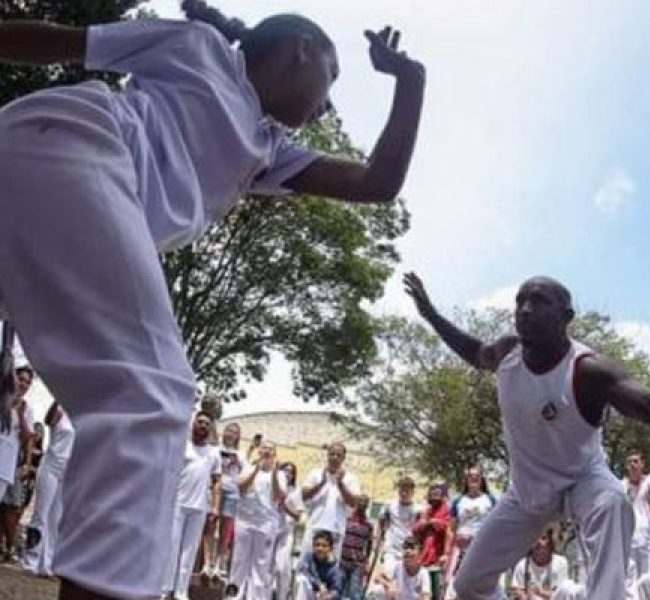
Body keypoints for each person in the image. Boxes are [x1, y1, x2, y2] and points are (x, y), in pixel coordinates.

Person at [0, 0, 424, 595]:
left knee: (144, 390)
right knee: (152, 392)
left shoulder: (267, 152)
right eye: (331, 78)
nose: (328, 102)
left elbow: (378, 182)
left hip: (44, 182)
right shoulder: (195, 46)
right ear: (301, 49)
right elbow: (61, 41)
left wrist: (411, 83)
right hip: (74, 143)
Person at [403, 272, 650, 600]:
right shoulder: (507, 354)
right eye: (520, 300)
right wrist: (431, 314)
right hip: (527, 492)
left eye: (538, 301)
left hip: (582, 481)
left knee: (613, 502)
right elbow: (473, 351)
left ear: (566, 317)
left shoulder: (588, 371)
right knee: (468, 585)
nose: (525, 308)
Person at [163, 411, 223, 600]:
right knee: (172, 547)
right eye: (200, 422)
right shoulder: (183, 446)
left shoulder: (214, 454)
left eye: (207, 424)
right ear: (194, 424)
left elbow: (217, 482)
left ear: (210, 429)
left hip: (199, 507)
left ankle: (181, 591)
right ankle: (166, 589)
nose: (203, 426)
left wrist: (215, 507)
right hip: (178, 503)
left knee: (189, 551)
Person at [228, 439, 288, 600]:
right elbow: (241, 486)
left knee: (261, 564)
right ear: (259, 451)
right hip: (245, 521)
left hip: (266, 523)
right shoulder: (249, 468)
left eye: (270, 449)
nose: (267, 451)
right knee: (239, 561)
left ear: (274, 454)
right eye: (264, 448)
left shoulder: (281, 475)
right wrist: (255, 470)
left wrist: (274, 473)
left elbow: (279, 496)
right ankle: (233, 596)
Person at [22, 402, 74, 577]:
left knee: (55, 520)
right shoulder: (60, 410)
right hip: (50, 466)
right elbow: (47, 419)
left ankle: (47, 564)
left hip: (67, 471)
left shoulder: (83, 415)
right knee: (40, 516)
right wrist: (59, 399)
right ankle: (31, 560)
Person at [443, 466, 497, 599]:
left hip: (483, 550)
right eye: (470, 476)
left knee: (484, 585)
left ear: (482, 479)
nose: (473, 478)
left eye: (477, 476)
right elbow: (451, 529)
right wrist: (446, 553)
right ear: (466, 480)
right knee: (453, 584)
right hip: (461, 550)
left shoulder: (490, 500)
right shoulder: (458, 502)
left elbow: (497, 527)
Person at [301, 442, 360, 560]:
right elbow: (304, 495)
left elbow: (354, 502)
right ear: (327, 455)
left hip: (335, 530)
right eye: (332, 454)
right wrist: (321, 483)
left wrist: (341, 484)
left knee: (330, 569)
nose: (335, 458)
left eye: (338, 455)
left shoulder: (350, 478)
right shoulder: (315, 474)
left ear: (343, 458)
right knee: (307, 565)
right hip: (315, 526)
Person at [203, 421, 245, 582]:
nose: (231, 434)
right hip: (215, 489)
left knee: (225, 530)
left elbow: (244, 475)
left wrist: (236, 462)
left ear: (238, 436)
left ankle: (220, 563)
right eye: (228, 430)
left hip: (232, 492)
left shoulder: (241, 455)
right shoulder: (215, 450)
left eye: (234, 432)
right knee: (210, 526)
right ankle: (207, 563)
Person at [0, 365, 34, 563]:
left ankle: (8, 547)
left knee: (8, 507)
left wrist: (20, 413)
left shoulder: (27, 409)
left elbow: (27, 437)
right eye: (21, 379)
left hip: (7, 463)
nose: (24, 384)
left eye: (28, 382)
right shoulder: (2, 398)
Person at [623, 449, 650, 580]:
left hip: (648, 540)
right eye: (629, 462)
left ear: (642, 464)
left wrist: (649, 498)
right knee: (630, 580)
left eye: (635, 461)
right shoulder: (621, 485)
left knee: (648, 579)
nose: (632, 465)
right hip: (628, 541)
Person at [509, 530, 585, 600]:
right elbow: (517, 591)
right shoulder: (522, 565)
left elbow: (559, 592)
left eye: (543, 538)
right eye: (537, 547)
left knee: (567, 586)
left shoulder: (561, 562)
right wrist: (526, 596)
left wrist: (539, 591)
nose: (539, 542)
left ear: (550, 544)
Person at [377, 475, 423, 578]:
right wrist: (378, 542)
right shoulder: (389, 505)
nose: (404, 493)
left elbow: (420, 531)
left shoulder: (418, 509)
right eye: (402, 490)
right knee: (388, 574)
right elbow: (381, 523)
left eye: (407, 491)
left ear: (412, 492)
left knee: (404, 579)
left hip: (408, 549)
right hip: (391, 547)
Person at [413, 484, 451, 599]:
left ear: (443, 496)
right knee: (424, 593)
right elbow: (416, 529)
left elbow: (448, 530)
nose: (434, 498)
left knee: (437, 593)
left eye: (437, 495)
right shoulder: (426, 512)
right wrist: (426, 524)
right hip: (424, 559)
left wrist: (446, 554)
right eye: (432, 495)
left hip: (439, 561)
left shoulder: (447, 511)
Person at [275, 462, 306, 600]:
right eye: (285, 470)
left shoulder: (295, 492)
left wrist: (286, 507)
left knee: (282, 568)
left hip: (286, 532)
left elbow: (299, 516)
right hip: (270, 530)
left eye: (291, 472)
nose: (288, 474)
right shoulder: (274, 486)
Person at [340, 494, 374, 600]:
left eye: (364, 503)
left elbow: (369, 544)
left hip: (357, 563)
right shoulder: (346, 520)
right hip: (342, 560)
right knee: (338, 590)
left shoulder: (368, 525)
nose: (362, 504)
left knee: (355, 593)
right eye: (360, 501)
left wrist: (366, 561)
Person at [296, 530, 345, 600]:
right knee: (301, 579)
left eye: (324, 546)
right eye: (317, 545)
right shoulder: (309, 558)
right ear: (313, 546)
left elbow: (337, 590)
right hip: (311, 593)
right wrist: (318, 584)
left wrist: (327, 596)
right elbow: (303, 571)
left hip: (325, 596)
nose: (320, 548)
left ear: (330, 549)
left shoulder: (334, 568)